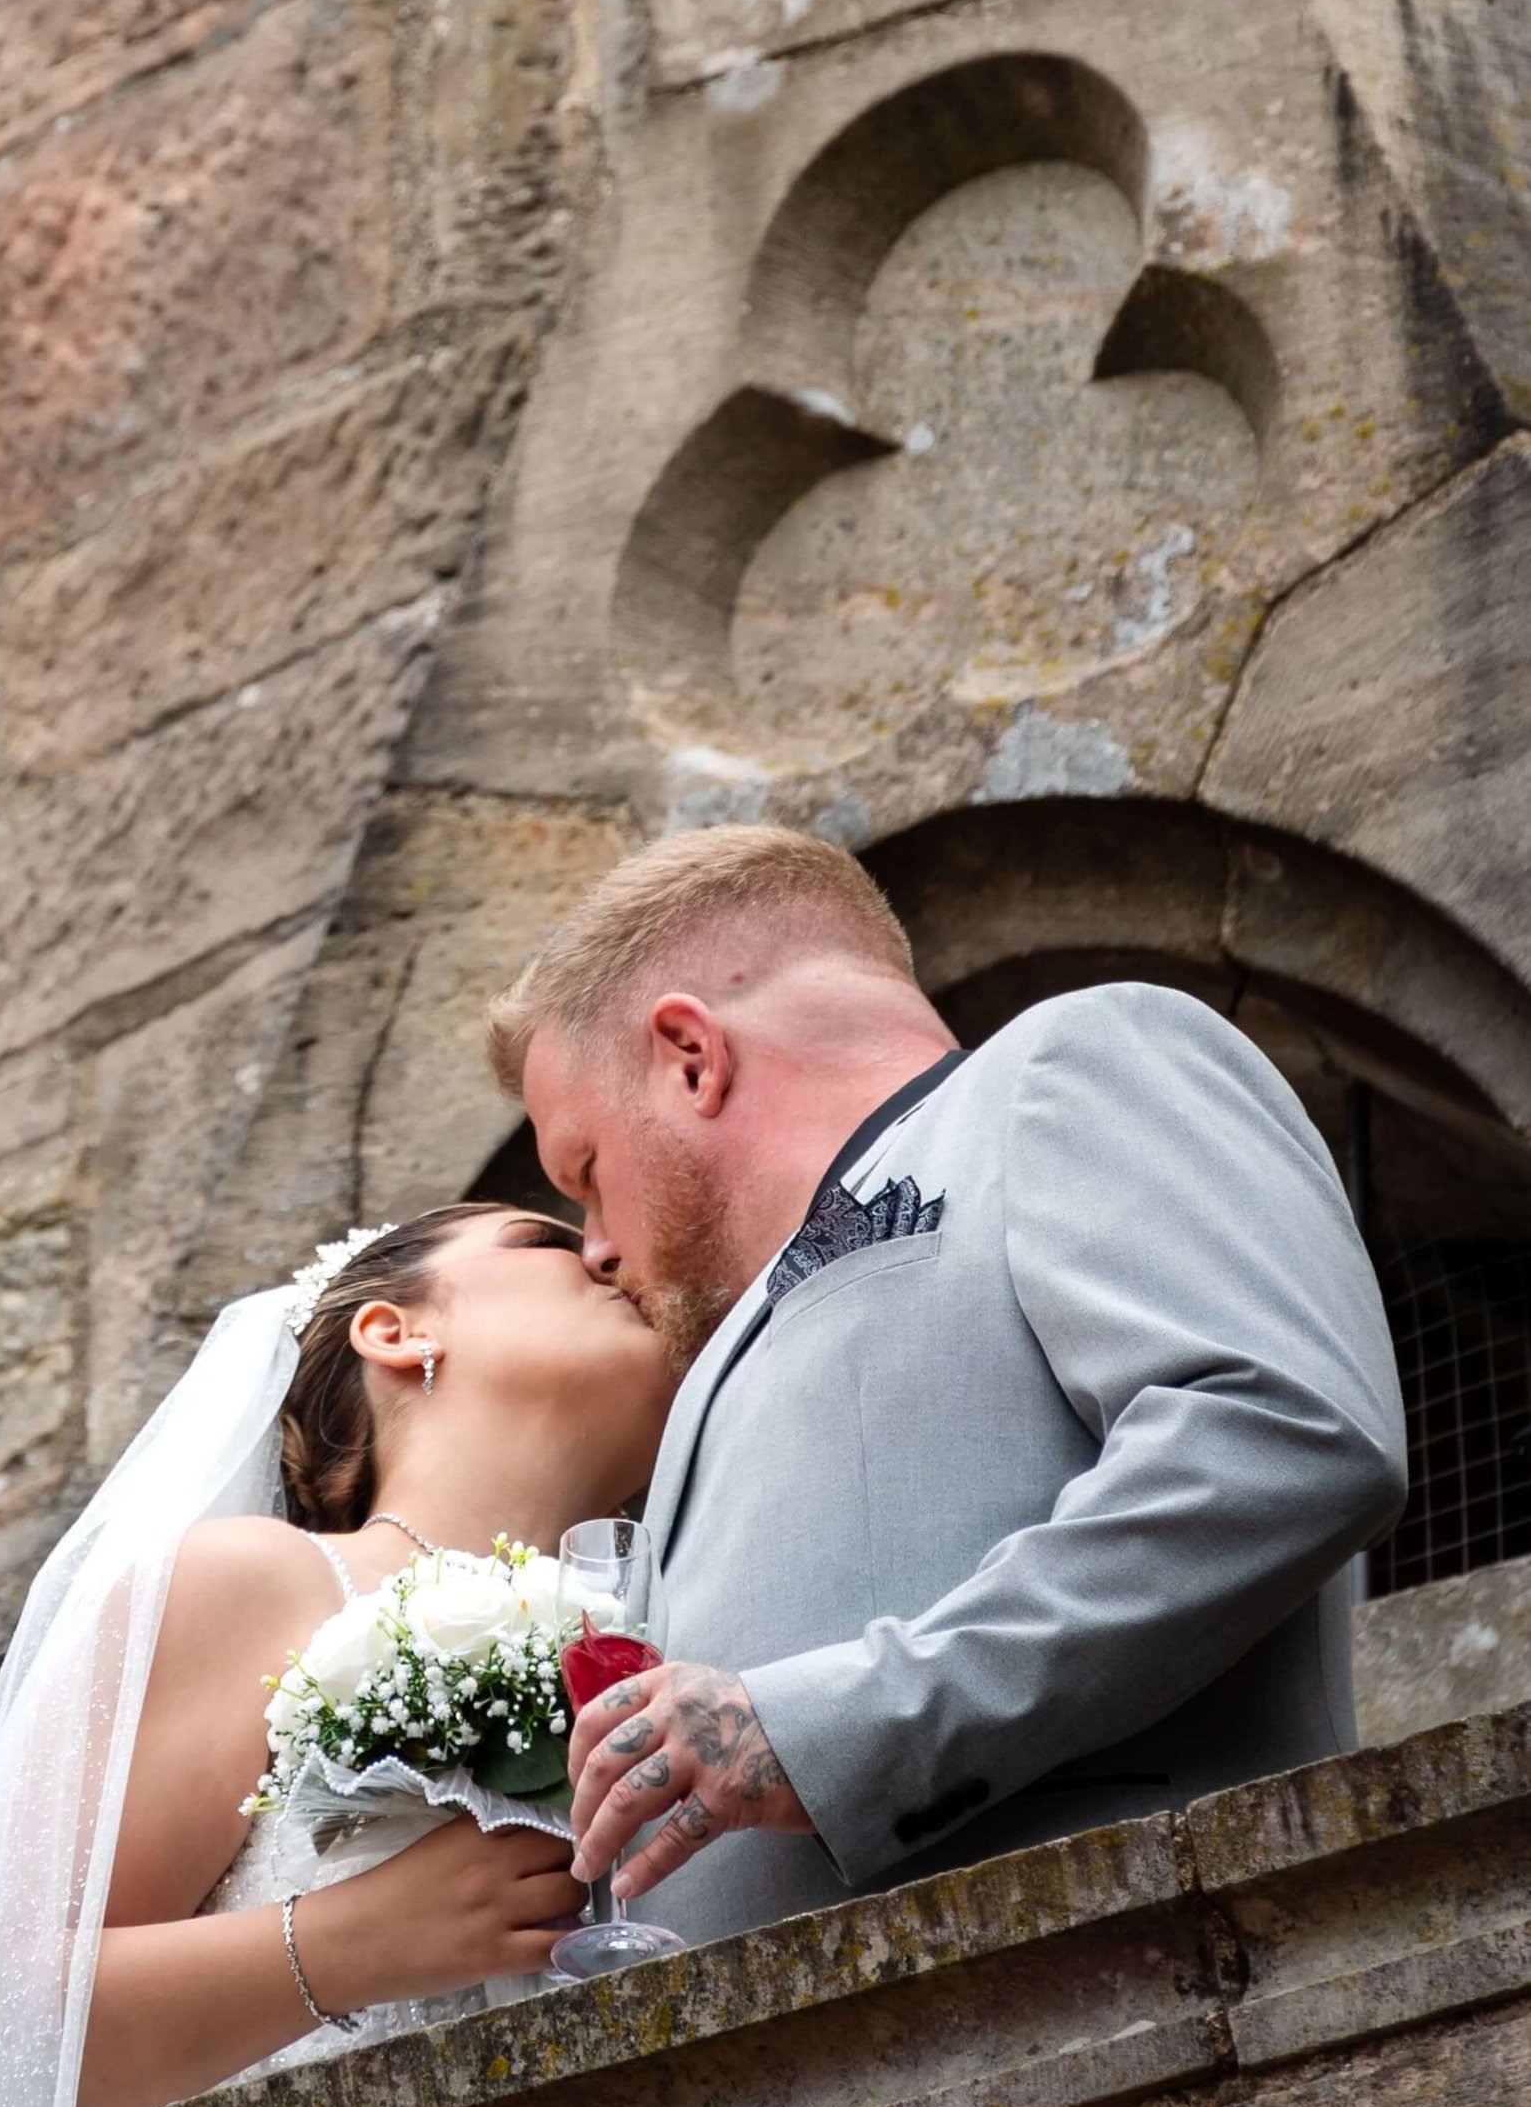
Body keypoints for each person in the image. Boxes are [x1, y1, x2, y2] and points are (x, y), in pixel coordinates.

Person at [492, 823, 1410, 1947]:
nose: (590, 1244)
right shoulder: (709, 1370)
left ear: (689, 1054)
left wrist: (824, 1728)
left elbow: (1279, 1430)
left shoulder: (1074, 1062)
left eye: (584, 1171)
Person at [0, 1201, 675, 2107]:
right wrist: (348, 1943)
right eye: (544, 1239)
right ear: (395, 1329)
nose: (609, 1249)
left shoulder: (688, 1630)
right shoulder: (253, 1583)